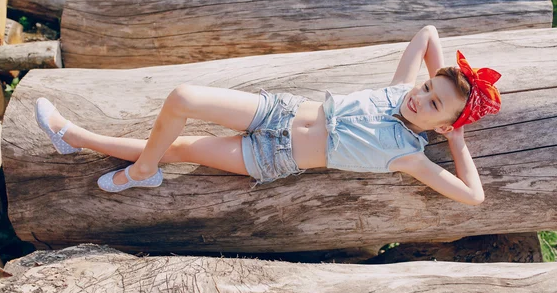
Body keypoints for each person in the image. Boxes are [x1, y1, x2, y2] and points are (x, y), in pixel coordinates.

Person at [34, 25, 501, 205]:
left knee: (180, 149)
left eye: (434, 104)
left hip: (270, 154)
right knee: (183, 96)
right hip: (278, 110)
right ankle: (142, 169)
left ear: (441, 124)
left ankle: (75, 137)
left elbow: (472, 196)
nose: (421, 98)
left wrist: (455, 137)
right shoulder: (400, 89)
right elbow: (428, 34)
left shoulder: (409, 156)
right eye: (426, 88)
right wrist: (449, 82)